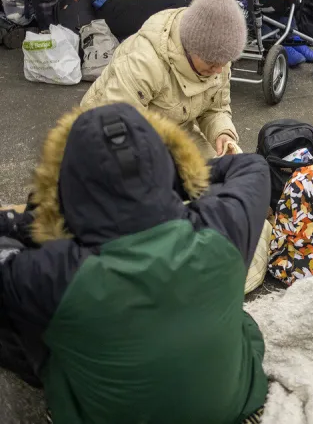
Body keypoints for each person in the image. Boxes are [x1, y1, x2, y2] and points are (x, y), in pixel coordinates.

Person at [0, 103, 270, 422]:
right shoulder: (222, 227)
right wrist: (173, 181)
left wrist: (23, 222)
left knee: (23, 317)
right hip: (230, 407)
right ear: (165, 163)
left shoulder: (53, 273)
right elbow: (251, 166)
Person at [81, 0, 246, 160]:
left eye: (225, 62)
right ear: (190, 47)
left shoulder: (220, 58)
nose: (219, 70)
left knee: (223, 170)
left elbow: (215, 108)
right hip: (111, 132)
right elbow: (116, 128)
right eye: (212, 63)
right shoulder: (145, 61)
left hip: (172, 129)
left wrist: (222, 133)